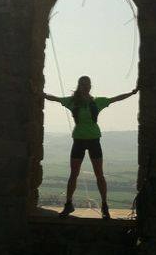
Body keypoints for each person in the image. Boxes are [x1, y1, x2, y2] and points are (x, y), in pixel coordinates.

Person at [44, 76, 139, 219]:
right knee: (74, 174)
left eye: (87, 85)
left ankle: (104, 206)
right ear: (80, 86)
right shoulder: (73, 101)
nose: (86, 87)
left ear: (89, 86)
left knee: (99, 174)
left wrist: (132, 93)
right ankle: (69, 204)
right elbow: (55, 98)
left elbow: (115, 99)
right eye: (84, 84)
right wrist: (42, 94)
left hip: (93, 140)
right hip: (80, 140)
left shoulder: (94, 102)